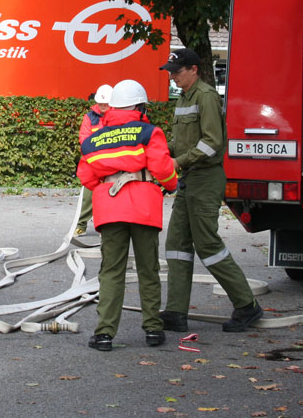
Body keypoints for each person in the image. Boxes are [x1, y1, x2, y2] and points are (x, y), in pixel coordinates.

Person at [159, 48, 263, 333]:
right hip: (189, 180)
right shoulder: (183, 98)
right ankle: (176, 312)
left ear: (194, 70)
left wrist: (178, 162)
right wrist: (158, 152)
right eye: (170, 72)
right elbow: (181, 141)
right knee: (177, 245)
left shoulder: (205, 96)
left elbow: (212, 142)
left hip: (205, 179)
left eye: (177, 72)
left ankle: (247, 305)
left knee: (207, 245)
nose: (173, 76)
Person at [77, 79, 178, 351]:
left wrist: (108, 185)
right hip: (145, 208)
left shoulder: (95, 139)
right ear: (140, 107)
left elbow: (86, 176)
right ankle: (153, 330)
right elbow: (163, 169)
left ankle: (104, 334)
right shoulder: (150, 132)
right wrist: (172, 185)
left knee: (111, 271)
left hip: (110, 209)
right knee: (148, 269)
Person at [75, 84, 112, 236]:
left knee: (110, 195)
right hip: (93, 162)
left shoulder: (116, 116)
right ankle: (81, 225)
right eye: (100, 103)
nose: (103, 105)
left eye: (106, 103)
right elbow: (84, 139)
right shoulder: (89, 117)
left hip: (110, 162)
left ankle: (105, 226)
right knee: (88, 196)